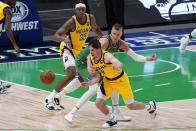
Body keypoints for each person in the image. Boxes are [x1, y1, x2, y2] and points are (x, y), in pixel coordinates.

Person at [61, 24, 135, 123]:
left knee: (114, 79)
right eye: (114, 33)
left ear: (121, 34)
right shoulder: (104, 42)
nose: (115, 36)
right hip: (83, 62)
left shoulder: (117, 44)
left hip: (94, 63)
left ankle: (116, 112)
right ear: (111, 33)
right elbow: (89, 57)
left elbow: (108, 57)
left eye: (118, 34)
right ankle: (71, 113)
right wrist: (89, 67)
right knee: (94, 88)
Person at [81, 39, 157, 128]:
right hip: (108, 81)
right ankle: (112, 119)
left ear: (99, 49)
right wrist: (89, 84)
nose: (91, 52)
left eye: (92, 50)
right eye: (90, 50)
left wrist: (117, 65)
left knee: (131, 106)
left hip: (121, 80)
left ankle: (149, 106)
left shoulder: (107, 56)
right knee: (98, 103)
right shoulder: (90, 58)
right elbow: (97, 77)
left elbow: (118, 63)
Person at [44, 2, 103, 110]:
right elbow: (55, 36)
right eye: (79, 9)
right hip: (67, 49)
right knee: (72, 73)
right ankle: (49, 98)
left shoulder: (90, 18)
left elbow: (96, 29)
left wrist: (104, 39)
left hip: (78, 51)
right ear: (75, 10)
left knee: (82, 77)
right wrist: (65, 39)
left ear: (85, 10)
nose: (81, 11)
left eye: (82, 9)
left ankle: (58, 97)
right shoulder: (71, 22)